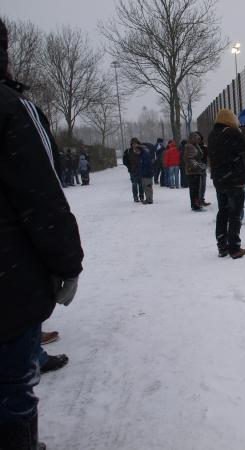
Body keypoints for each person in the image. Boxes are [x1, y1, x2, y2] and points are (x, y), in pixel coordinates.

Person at [0, 17, 84, 448]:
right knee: (12, 392)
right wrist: (68, 263)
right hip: (9, 282)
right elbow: (41, 194)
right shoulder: (11, 108)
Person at [208, 109, 245, 259]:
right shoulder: (232, 133)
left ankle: (222, 246)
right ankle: (234, 248)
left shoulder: (212, 135)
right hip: (234, 180)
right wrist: (239, 134)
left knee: (223, 212)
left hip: (219, 181)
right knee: (235, 214)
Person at [184, 132, 204, 211]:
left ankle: (196, 203)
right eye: (196, 139)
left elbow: (197, 156)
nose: (198, 140)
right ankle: (194, 204)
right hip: (192, 171)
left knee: (196, 188)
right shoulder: (189, 146)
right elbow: (189, 158)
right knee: (194, 189)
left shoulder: (195, 146)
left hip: (196, 171)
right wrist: (197, 165)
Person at [123, 138, 145, 202]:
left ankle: (141, 196)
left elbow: (145, 158)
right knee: (134, 184)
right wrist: (129, 167)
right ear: (131, 144)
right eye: (133, 144)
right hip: (132, 170)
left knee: (141, 184)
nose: (134, 145)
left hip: (141, 170)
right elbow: (125, 161)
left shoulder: (142, 150)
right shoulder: (128, 151)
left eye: (136, 143)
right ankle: (135, 197)